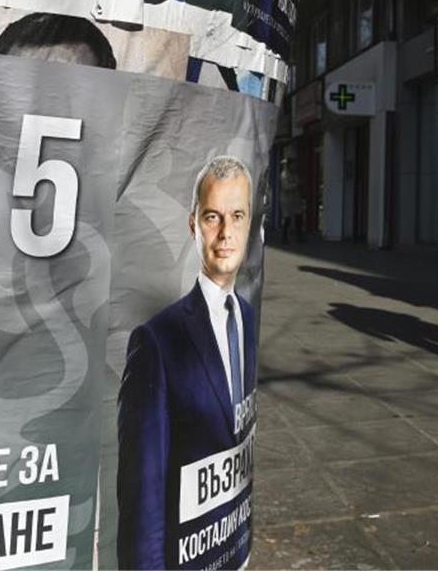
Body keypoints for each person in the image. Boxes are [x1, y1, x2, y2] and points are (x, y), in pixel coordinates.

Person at [117, 157, 259, 570]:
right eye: (213, 217)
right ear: (193, 224)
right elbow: (141, 498)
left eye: (237, 216)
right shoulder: (157, 342)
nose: (226, 233)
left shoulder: (248, 318)